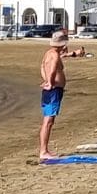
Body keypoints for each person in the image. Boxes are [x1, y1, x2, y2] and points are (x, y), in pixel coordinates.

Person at [39, 31, 85, 160]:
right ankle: (43, 151)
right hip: (53, 90)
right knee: (48, 121)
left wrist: (73, 54)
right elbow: (53, 69)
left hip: (52, 89)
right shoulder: (54, 56)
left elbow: (43, 66)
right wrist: (50, 82)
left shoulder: (49, 53)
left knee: (48, 120)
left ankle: (44, 150)